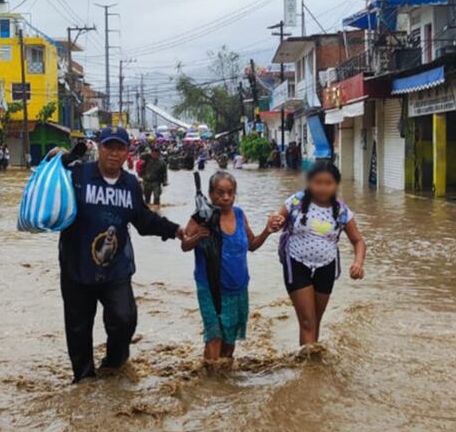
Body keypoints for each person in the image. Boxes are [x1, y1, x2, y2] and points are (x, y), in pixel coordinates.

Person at [58, 126, 189, 383]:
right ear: (99, 147)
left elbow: (143, 219)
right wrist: (63, 157)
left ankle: (113, 365)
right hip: (77, 266)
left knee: (125, 318)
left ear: (127, 151)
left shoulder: (130, 184)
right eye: (109, 147)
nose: (114, 154)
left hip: (115, 268)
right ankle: (84, 380)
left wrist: (176, 230)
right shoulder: (76, 175)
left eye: (120, 148)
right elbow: (47, 181)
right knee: (78, 328)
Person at [182, 172, 279, 362]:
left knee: (229, 341)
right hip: (210, 287)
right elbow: (185, 245)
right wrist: (197, 236)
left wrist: (267, 231)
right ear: (210, 194)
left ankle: (224, 384)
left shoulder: (240, 215)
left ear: (235, 194)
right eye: (219, 193)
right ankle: (210, 385)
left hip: (238, 287)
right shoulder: (201, 217)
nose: (225, 197)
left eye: (230, 193)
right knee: (214, 337)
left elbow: (252, 245)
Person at [274, 161, 367, 346]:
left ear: (336, 185)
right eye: (318, 182)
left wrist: (358, 263)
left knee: (316, 319)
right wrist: (275, 222)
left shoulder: (341, 211)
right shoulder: (296, 202)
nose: (323, 188)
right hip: (296, 263)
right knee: (307, 321)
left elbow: (358, 241)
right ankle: (309, 368)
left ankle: (311, 364)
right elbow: (277, 221)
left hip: (327, 266)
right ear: (309, 183)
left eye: (328, 183)